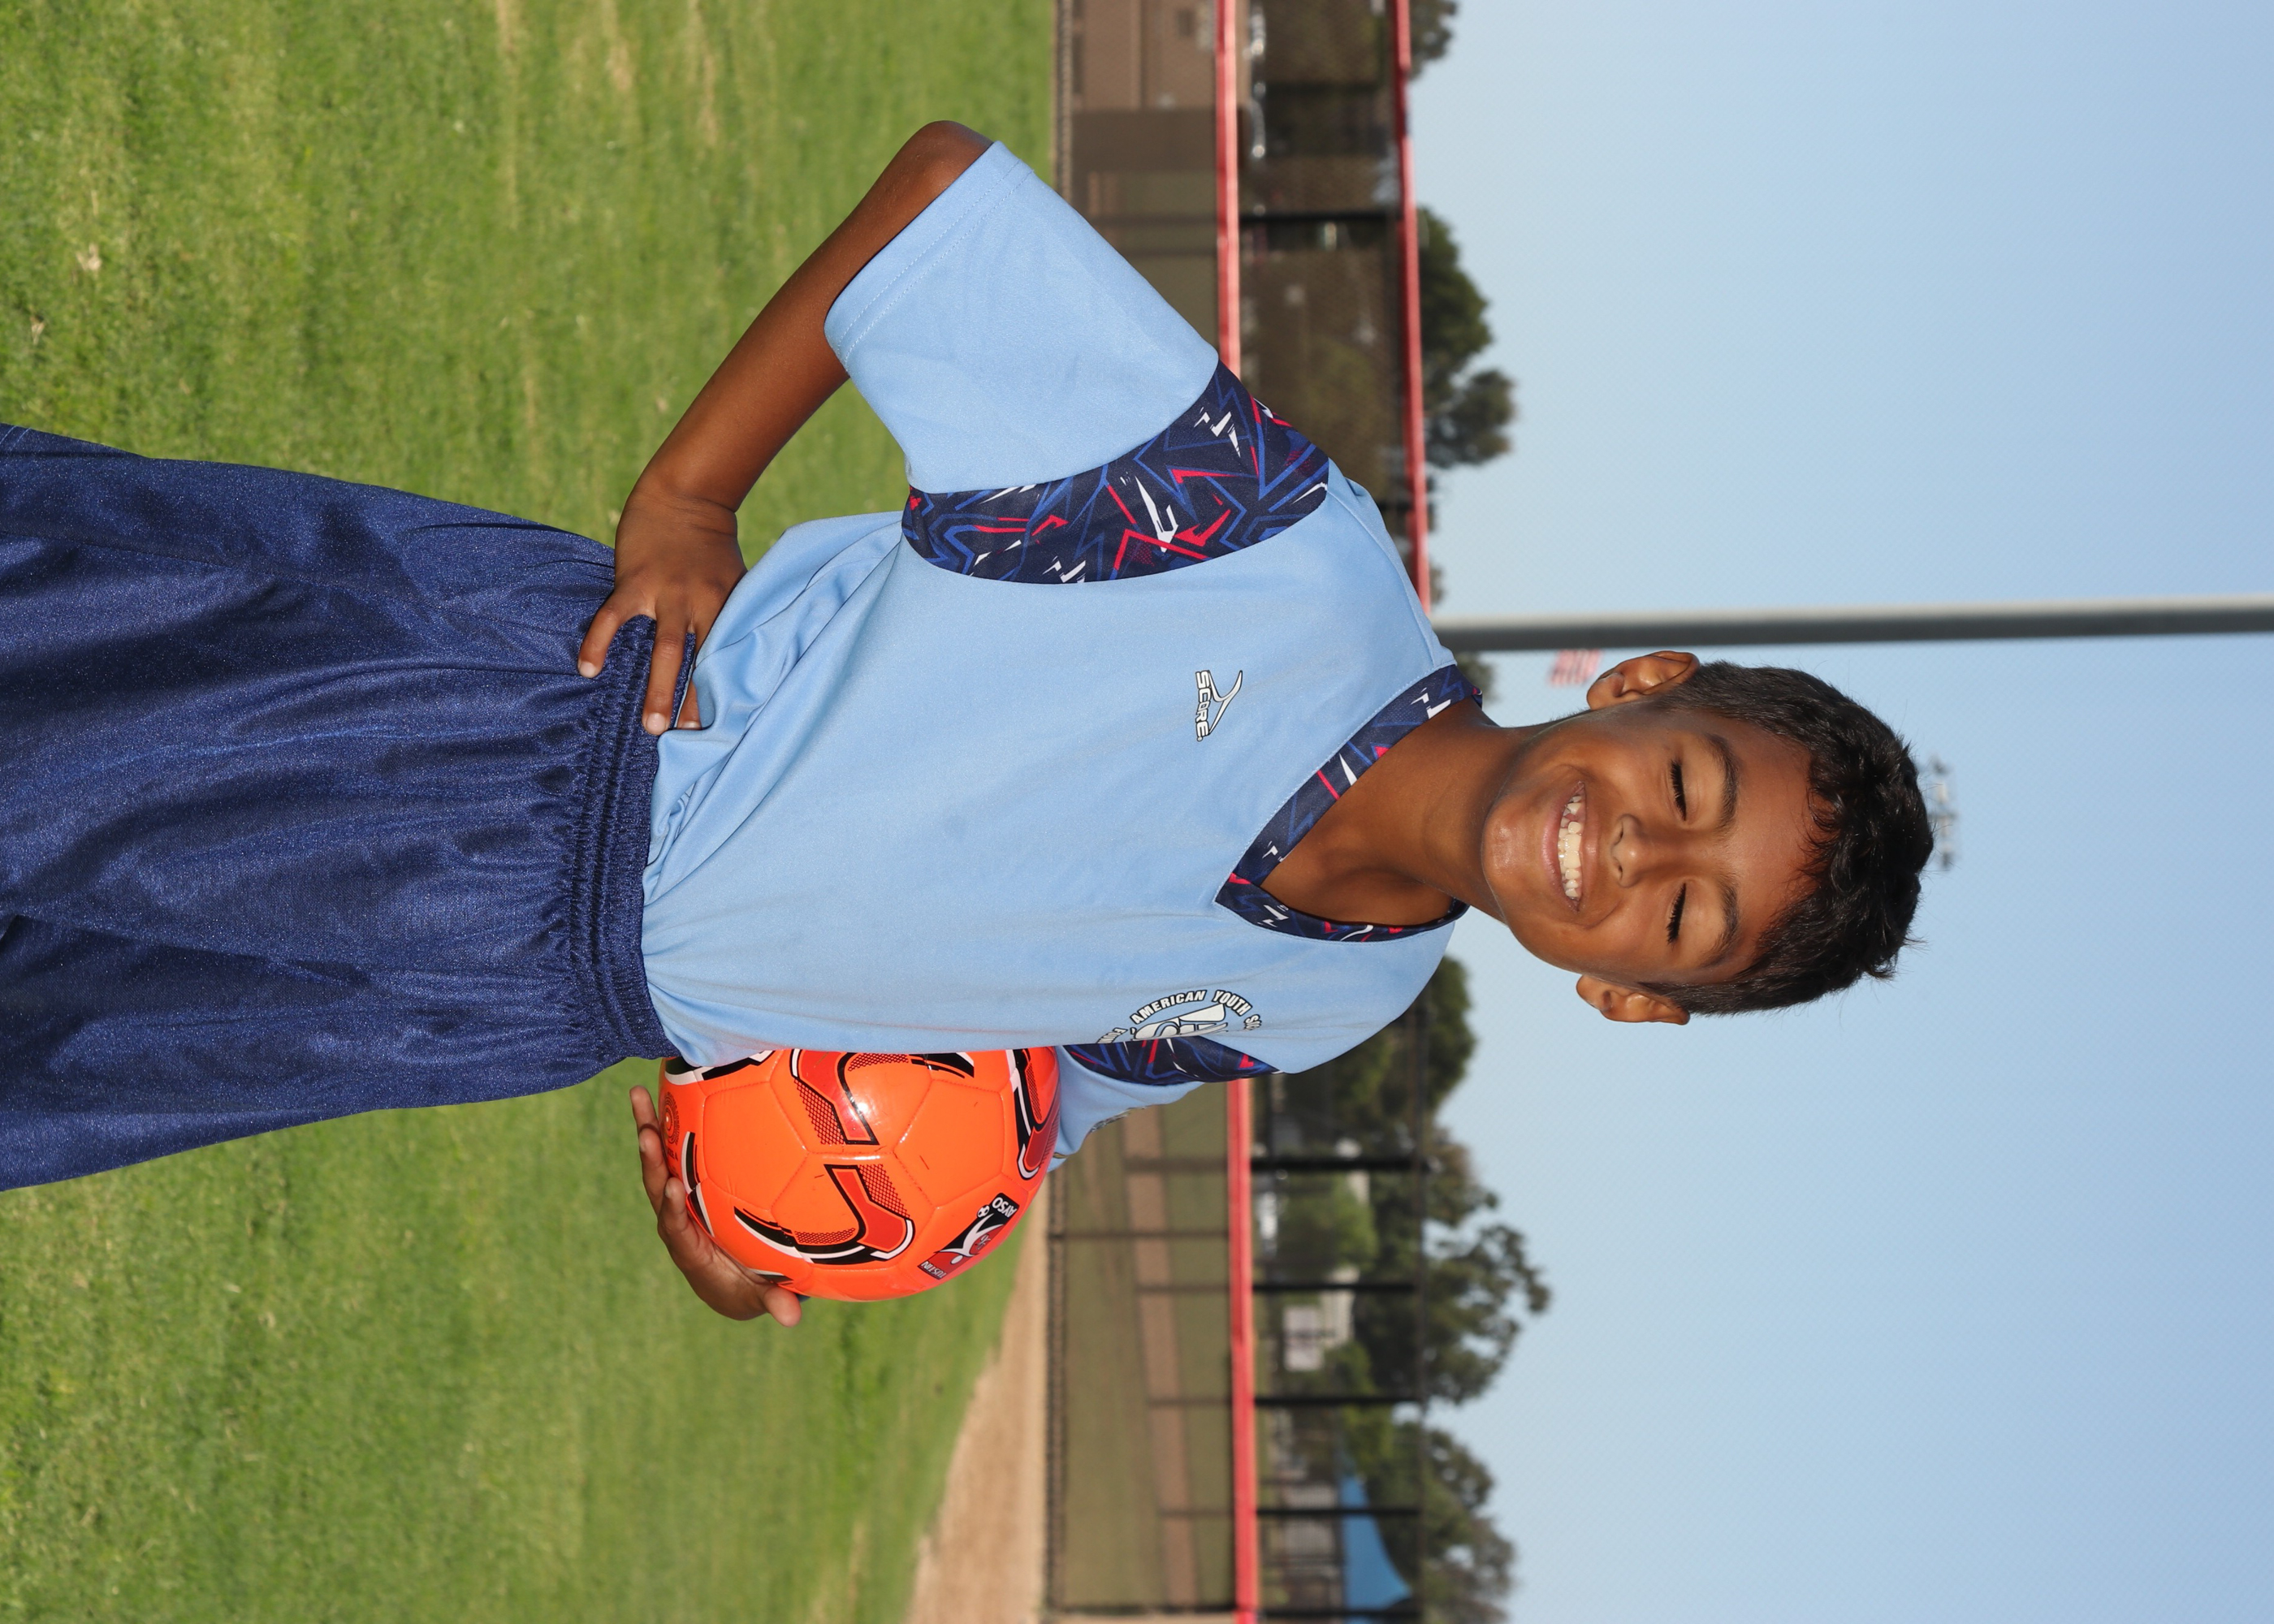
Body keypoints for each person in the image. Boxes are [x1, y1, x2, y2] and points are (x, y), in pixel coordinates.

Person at [0, 124, 1933, 1329]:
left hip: (520, 1007)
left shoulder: (1335, 999)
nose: (1633, 849)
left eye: (1681, 910)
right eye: (1685, 787)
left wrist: (810, 1222)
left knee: (43, 1061)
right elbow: (940, 210)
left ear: (1630, 996)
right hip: (525, 733)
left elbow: (1033, 1093)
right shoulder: (1271, 546)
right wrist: (689, 495)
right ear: (1642, 684)